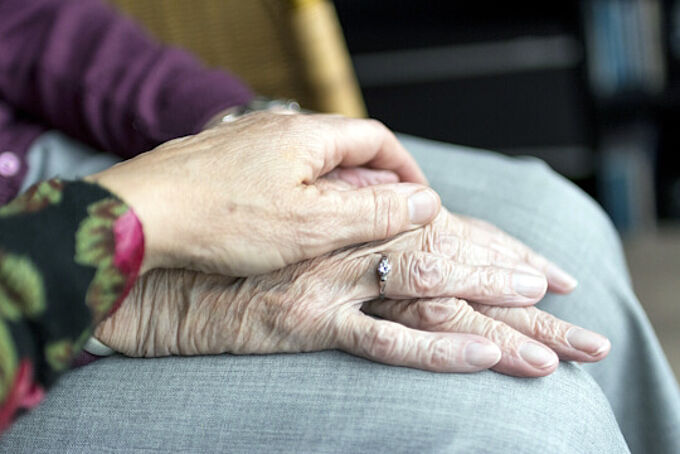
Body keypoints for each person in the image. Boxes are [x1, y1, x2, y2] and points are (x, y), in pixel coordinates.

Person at [0, 0, 678, 453]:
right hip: (26, 325)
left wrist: (237, 130)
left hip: (50, 154)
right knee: (527, 423)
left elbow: (26, 19)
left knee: (555, 225)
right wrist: (137, 286)